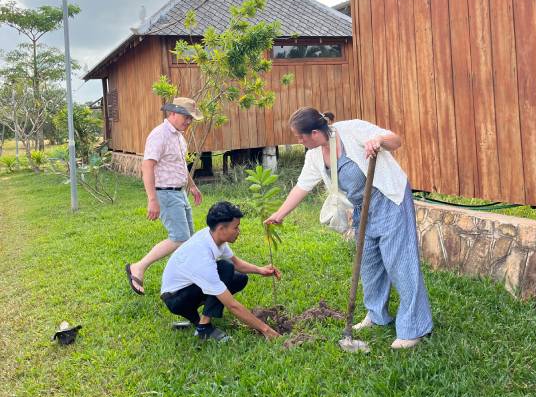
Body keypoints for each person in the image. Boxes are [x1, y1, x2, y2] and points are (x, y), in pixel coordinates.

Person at [265, 107, 433, 350]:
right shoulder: (314, 156)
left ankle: (414, 327)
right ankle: (377, 315)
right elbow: (302, 186)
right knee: (369, 262)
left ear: (314, 133)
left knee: (399, 261)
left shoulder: (353, 130)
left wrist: (378, 140)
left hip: (388, 198)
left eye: (300, 136)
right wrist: (279, 214)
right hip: (361, 207)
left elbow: (395, 140)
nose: (297, 141)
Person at [159, 201, 282, 342]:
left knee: (239, 278)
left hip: (186, 291)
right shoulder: (202, 255)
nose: (238, 231)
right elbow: (232, 305)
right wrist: (266, 330)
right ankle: (204, 328)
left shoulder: (213, 237)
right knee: (225, 268)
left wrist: (260, 270)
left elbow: (236, 263)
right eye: (236, 228)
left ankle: (197, 321)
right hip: (176, 299)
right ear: (221, 229)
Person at [126, 97, 204, 296]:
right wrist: (152, 199)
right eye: (186, 117)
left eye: (191, 119)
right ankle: (138, 267)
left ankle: (184, 280)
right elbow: (147, 166)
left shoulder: (178, 136)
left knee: (187, 241)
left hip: (179, 193)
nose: (189, 122)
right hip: (165, 193)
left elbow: (178, 166)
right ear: (173, 114)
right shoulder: (159, 135)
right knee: (178, 238)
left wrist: (192, 186)